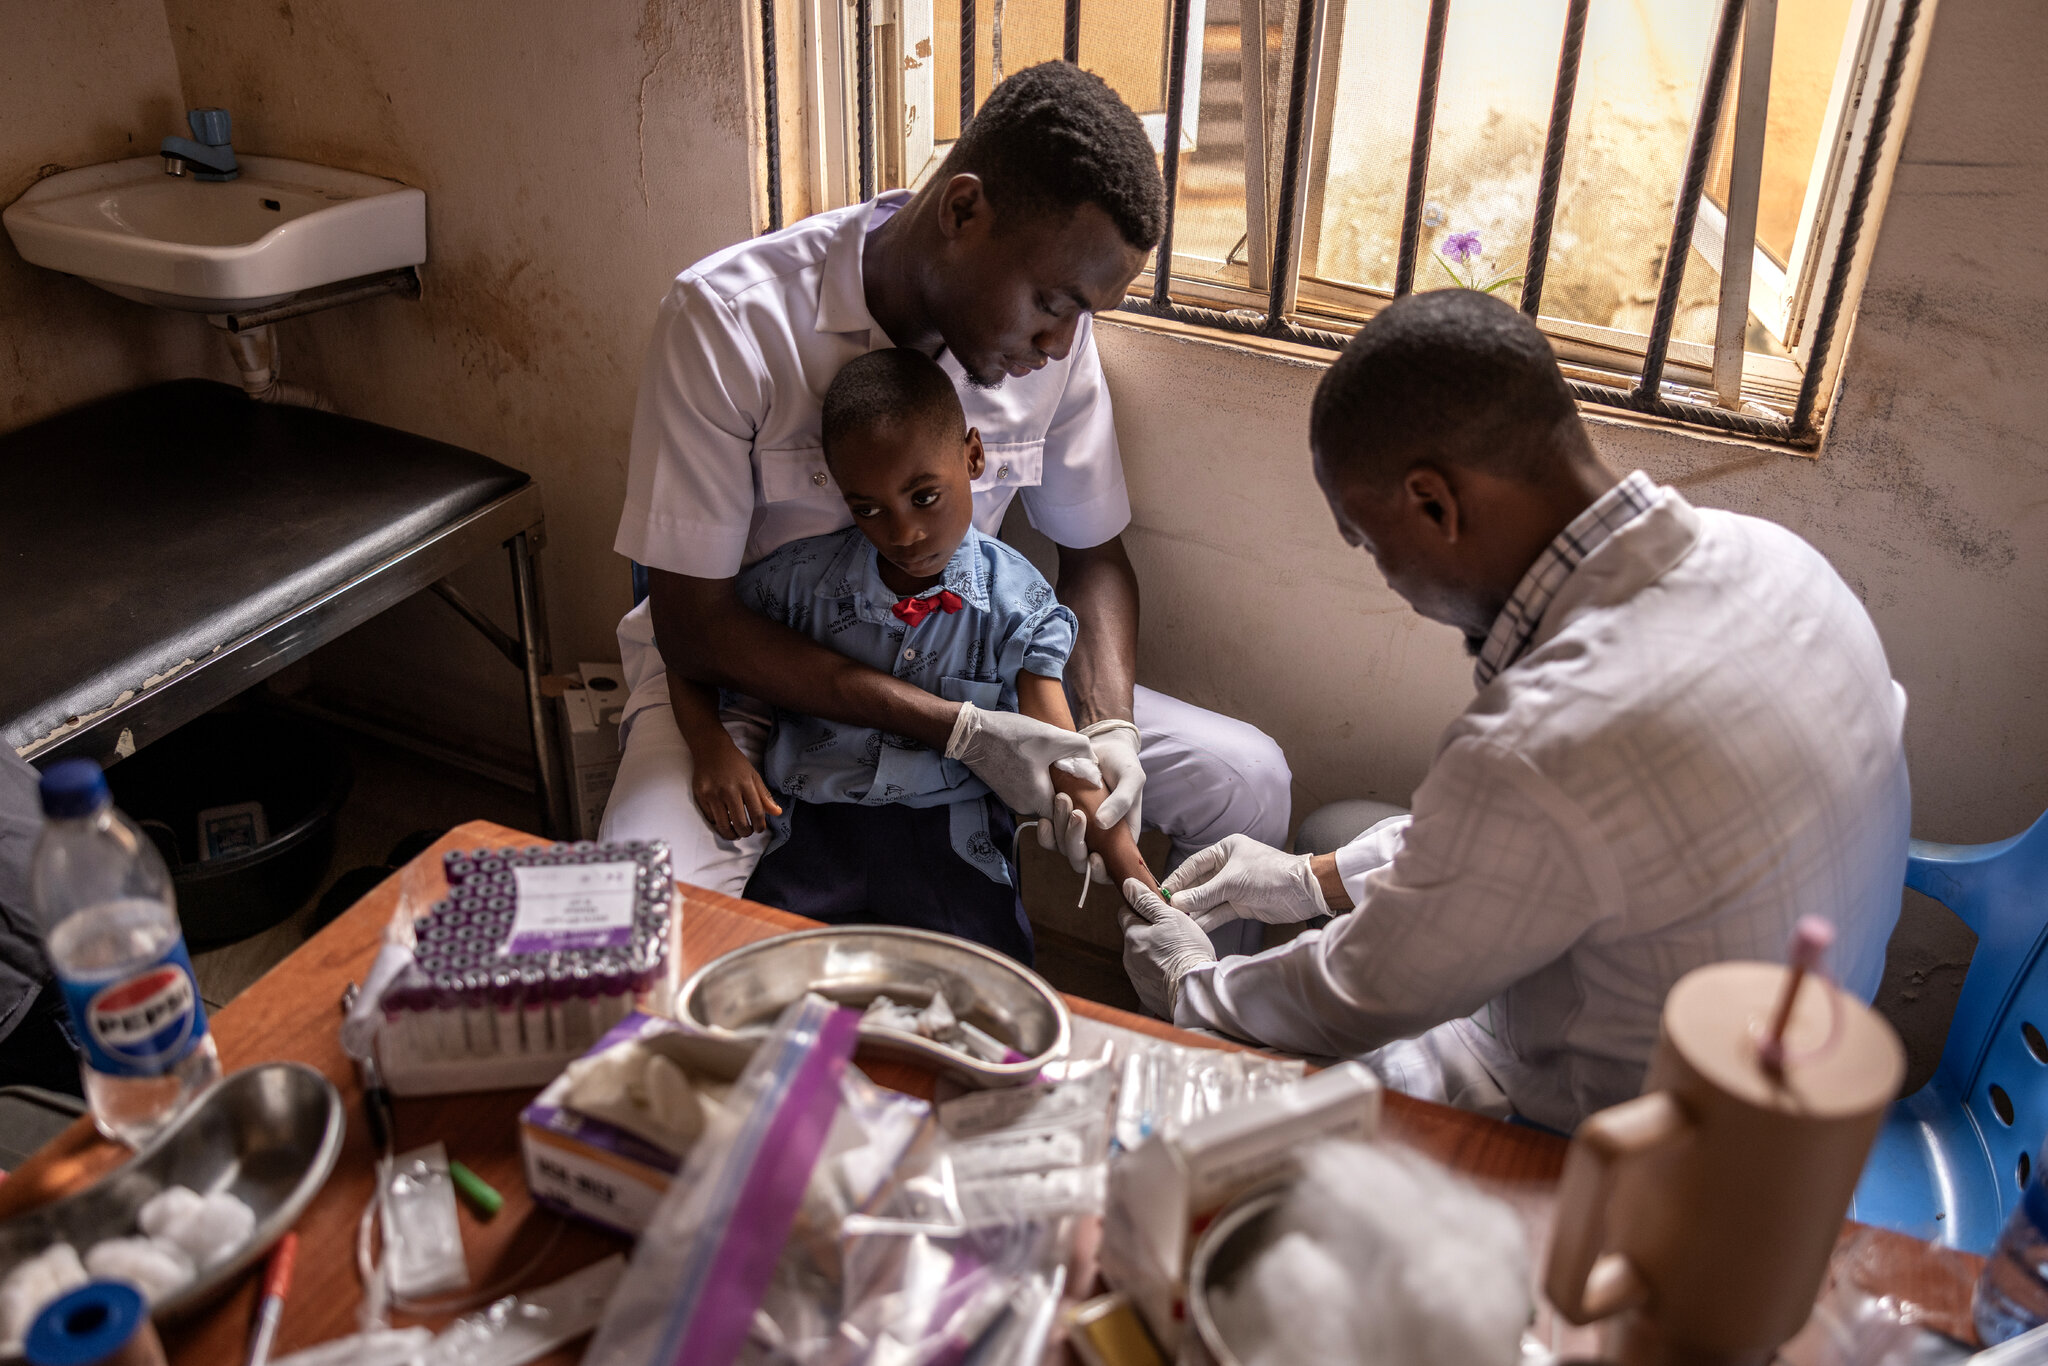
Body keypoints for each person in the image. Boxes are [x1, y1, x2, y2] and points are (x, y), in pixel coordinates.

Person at [1118, 290, 1911, 1132]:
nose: (1387, 577)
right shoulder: (1775, 557)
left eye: (1369, 541)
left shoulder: (1549, 737)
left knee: (1223, 1122)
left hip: (1615, 1144)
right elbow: (1539, 840)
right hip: (1801, 1070)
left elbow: (1360, 996)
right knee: (1341, 828)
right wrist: (1309, 881)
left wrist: (1191, 988)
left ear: (1434, 504)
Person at [604, 62, 1291, 918]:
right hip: (748, 688)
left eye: (1083, 317)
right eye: (1050, 303)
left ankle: (1189, 1002)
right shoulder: (728, 322)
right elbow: (695, 628)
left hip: (972, 663)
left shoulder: (1053, 349)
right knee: (640, 926)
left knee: (1248, 781)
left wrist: (1105, 731)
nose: (1057, 343)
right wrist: (958, 730)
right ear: (964, 211)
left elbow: (1094, 557)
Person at [671, 349, 1161, 962]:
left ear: (974, 456)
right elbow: (693, 642)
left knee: (986, 1006)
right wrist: (710, 746)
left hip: (953, 849)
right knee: (764, 982)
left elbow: (1063, 757)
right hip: (817, 834)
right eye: (868, 510)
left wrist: (1148, 896)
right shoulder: (799, 585)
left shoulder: (1015, 604)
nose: (902, 534)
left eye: (924, 496)